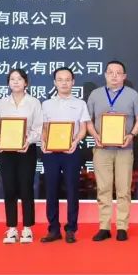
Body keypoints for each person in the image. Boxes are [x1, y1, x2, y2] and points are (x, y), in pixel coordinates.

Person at [87, 60, 138, 242]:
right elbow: (88, 120)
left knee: (123, 188)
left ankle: (122, 227)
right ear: (105, 75)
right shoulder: (95, 95)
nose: (114, 76)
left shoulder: (133, 95)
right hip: (101, 148)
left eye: (118, 72)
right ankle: (104, 227)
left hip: (124, 149)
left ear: (124, 76)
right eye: (110, 72)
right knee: (103, 188)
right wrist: (95, 135)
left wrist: (131, 135)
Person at [40, 66, 91, 244]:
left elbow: (83, 128)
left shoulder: (80, 104)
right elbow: (44, 128)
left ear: (73, 82)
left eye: (67, 80)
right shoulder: (46, 104)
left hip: (71, 152)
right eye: (60, 80)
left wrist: (75, 141)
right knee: (51, 190)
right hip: (51, 153)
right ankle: (53, 229)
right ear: (55, 82)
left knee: (72, 190)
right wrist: (44, 142)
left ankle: (71, 229)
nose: (64, 83)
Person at [0, 68, 42, 244]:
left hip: (26, 150)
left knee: (26, 188)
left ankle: (27, 228)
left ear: (26, 82)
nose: (16, 82)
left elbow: (38, 127)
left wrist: (28, 140)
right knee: (9, 188)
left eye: (19, 79)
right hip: (6, 152)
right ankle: (12, 228)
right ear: (8, 83)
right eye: (12, 79)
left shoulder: (34, 103)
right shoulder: (1, 103)